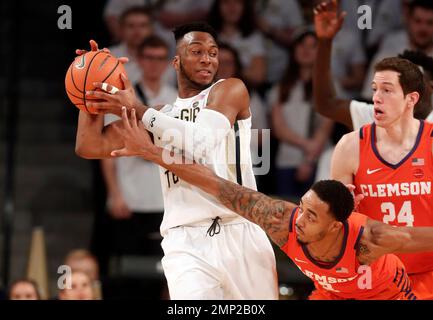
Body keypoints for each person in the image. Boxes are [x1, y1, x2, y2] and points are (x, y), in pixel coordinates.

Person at [108, 108, 433, 300]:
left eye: (312, 216)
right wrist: (150, 152)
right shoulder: (282, 221)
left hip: (385, 294)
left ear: (336, 226)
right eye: (303, 207)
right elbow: (214, 183)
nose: (301, 219)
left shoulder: (370, 240)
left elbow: (421, 237)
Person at [75, 22, 278, 300]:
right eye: (196, 51)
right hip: (184, 239)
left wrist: (137, 109)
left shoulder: (229, 90)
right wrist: (90, 89)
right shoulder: (160, 113)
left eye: (213, 52)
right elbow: (89, 145)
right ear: (176, 61)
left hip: (239, 228)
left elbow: (201, 143)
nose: (207, 58)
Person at [330, 54, 433, 299]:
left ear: (411, 99)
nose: (376, 97)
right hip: (374, 278)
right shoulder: (350, 146)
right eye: (375, 89)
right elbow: (333, 228)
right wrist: (342, 214)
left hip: (428, 275)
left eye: (387, 90)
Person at [313, 0, 433, 131]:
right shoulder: (375, 116)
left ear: (431, 87)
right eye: (403, 84)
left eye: (416, 83)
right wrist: (324, 41)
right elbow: (326, 104)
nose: (409, 92)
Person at [269, 29, 333, 199]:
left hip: (318, 161)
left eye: (312, 46)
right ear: (294, 49)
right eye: (302, 45)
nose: (306, 50)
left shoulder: (327, 86)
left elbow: (326, 127)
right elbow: (278, 128)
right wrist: (306, 144)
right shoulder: (280, 87)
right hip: (286, 160)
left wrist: (309, 160)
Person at [108, 7, 154, 84]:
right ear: (121, 29)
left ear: (151, 29)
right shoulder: (108, 56)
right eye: (131, 26)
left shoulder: (163, 58)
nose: (137, 31)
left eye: (143, 25)